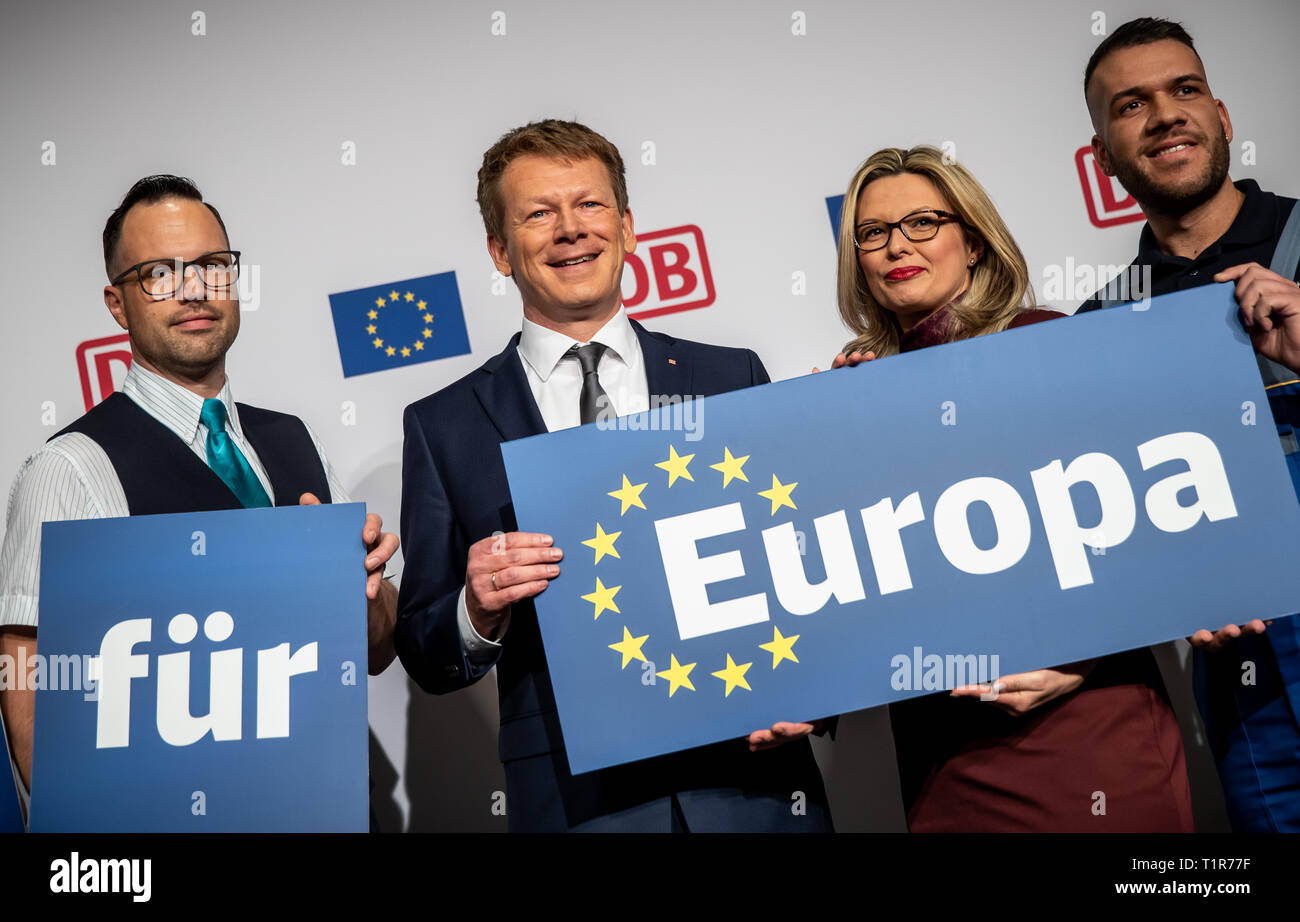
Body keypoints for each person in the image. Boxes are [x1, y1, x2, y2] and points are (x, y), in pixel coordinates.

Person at [395, 119, 831, 832]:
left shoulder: (731, 376)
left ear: (627, 227)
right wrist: (475, 610)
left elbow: (805, 565)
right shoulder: (444, 425)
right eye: (538, 213)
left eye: (591, 206)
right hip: (576, 803)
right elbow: (424, 650)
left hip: (753, 785)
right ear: (499, 252)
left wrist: (815, 691)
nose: (571, 230)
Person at [0, 175, 399, 820]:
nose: (193, 289)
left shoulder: (294, 439)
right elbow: (32, 688)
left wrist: (367, 592)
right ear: (116, 303)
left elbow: (377, 650)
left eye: (212, 267)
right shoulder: (69, 469)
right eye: (158, 272)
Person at [826, 145, 1194, 832]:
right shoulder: (851, 397)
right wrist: (832, 446)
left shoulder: (1050, 344)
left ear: (973, 241)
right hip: (947, 755)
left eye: (922, 222)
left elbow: (1157, 523)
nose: (895, 246)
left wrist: (1078, 661)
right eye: (872, 233)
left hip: (1086, 727)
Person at [1079, 16, 1300, 831]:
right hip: (1251, 690)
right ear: (1103, 155)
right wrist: (1171, 588)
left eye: (1185, 90)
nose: (1166, 114)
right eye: (1131, 104)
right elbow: (1109, 529)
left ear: (1223, 117)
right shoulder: (1095, 328)